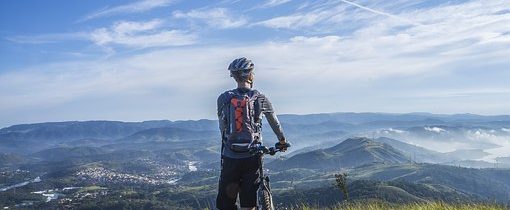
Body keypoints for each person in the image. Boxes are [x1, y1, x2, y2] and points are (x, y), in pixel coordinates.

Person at [216, 57, 290, 210]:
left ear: (234, 76)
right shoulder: (261, 98)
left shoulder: (223, 98)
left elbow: (222, 127)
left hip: (230, 157)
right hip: (252, 157)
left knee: (226, 203)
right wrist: (282, 141)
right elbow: (275, 124)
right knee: (249, 203)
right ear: (251, 75)